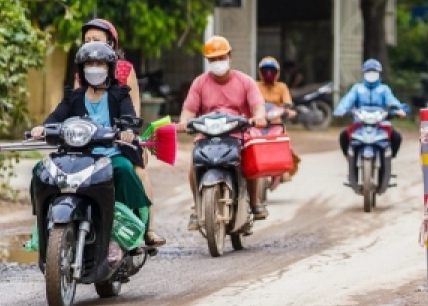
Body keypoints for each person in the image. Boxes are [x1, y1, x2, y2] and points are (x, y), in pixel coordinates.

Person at [31, 41, 151, 236]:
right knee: (41, 171)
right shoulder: (74, 96)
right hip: (78, 156)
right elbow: (57, 116)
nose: (94, 68)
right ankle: (42, 226)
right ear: (82, 68)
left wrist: (127, 130)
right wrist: (43, 128)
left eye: (100, 64)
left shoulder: (119, 95)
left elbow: (128, 117)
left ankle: (131, 227)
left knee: (125, 170)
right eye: (89, 64)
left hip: (110, 155)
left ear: (109, 68)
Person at [77, 18, 164, 247]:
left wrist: (126, 130)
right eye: (86, 40)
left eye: (97, 40)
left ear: (111, 43)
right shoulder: (82, 72)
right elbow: (74, 109)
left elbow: (133, 110)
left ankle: (148, 228)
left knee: (137, 172)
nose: (91, 44)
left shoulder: (125, 70)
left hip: (119, 139)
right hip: (88, 142)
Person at [178, 36, 269, 226]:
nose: (217, 62)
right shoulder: (199, 83)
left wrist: (259, 116)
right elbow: (188, 111)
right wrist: (184, 122)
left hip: (238, 134)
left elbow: (257, 106)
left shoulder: (245, 81)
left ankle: (254, 202)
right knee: (194, 166)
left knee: (250, 162)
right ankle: (197, 208)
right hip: (207, 135)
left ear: (229, 56)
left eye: (221, 57)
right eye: (213, 59)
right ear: (207, 61)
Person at [334, 59, 407, 158]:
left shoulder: (384, 89)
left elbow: (392, 101)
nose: (371, 75)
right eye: (369, 72)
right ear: (364, 73)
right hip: (360, 122)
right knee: (344, 136)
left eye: (374, 72)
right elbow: (347, 100)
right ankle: (349, 158)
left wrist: (399, 110)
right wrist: (341, 110)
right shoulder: (357, 89)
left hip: (380, 122)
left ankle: (389, 159)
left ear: (379, 73)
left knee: (396, 136)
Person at [256, 56, 300, 190]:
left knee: (284, 143)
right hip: (258, 122)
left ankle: (283, 170)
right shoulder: (254, 85)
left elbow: (288, 105)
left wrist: (288, 111)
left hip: (276, 123)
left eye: (272, 70)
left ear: (278, 73)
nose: (268, 73)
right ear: (260, 72)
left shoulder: (282, 87)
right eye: (265, 70)